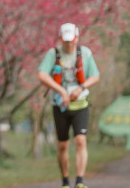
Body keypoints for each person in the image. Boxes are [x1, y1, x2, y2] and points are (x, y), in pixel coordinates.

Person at [37, 23, 100, 188]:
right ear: (60, 39)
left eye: (71, 41)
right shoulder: (54, 53)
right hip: (60, 106)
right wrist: (61, 91)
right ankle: (65, 181)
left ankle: (80, 181)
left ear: (76, 38)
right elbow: (42, 74)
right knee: (63, 144)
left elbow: (95, 76)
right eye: (65, 41)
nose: (68, 44)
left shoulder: (85, 53)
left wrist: (81, 88)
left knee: (80, 140)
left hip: (81, 105)